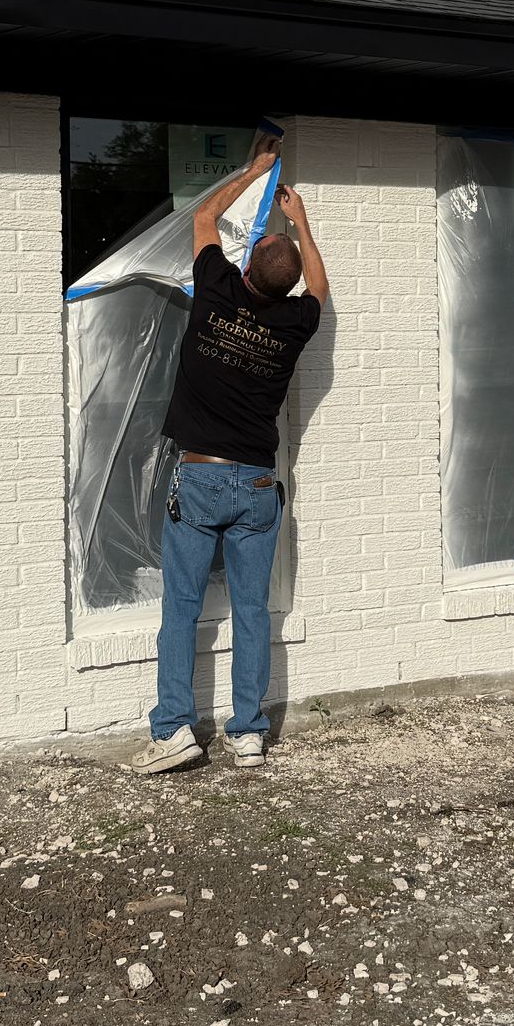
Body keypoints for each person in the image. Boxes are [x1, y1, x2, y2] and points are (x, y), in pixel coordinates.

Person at [136, 133, 328, 774]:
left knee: (181, 610)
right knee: (250, 610)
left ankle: (174, 732)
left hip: (199, 479)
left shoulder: (216, 286)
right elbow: (319, 294)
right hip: (255, 488)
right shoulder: (295, 323)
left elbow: (202, 218)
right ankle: (249, 733)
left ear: (246, 269)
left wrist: (254, 170)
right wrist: (300, 224)